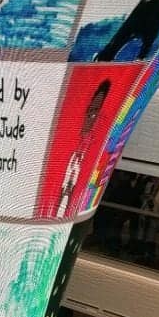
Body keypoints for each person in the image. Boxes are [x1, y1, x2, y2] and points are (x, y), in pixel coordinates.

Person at [55, 80, 111, 218]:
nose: (90, 120)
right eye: (90, 112)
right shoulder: (70, 141)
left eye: (95, 115)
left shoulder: (98, 152)